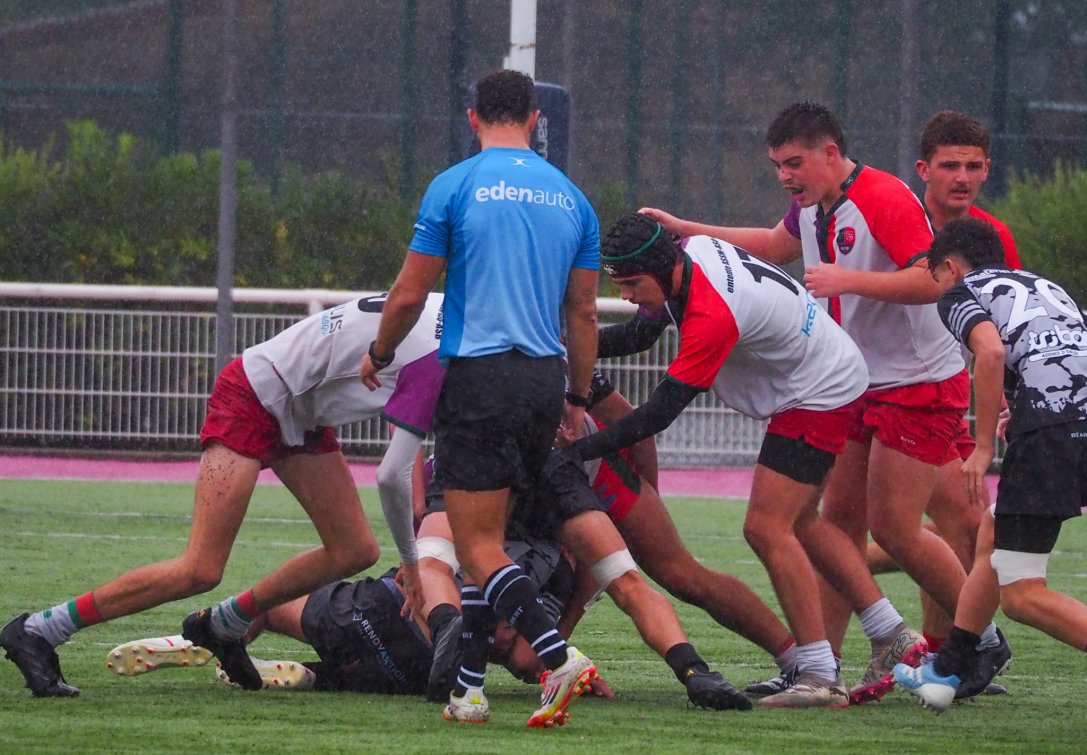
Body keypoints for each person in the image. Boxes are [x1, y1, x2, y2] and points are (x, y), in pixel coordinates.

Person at [641, 101, 970, 703]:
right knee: (830, 525)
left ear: (830, 152)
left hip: (917, 384)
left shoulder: (883, 196)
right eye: (777, 165)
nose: (785, 176)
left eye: (794, 163)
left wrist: (849, 281)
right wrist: (687, 230)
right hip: (859, 382)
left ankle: (978, 640)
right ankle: (826, 666)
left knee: (900, 528)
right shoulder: (813, 206)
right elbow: (773, 244)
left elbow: (937, 279)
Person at [0, 294, 445, 697]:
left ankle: (225, 623)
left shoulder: (451, 317)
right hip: (252, 397)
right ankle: (40, 629)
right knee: (200, 569)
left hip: (301, 415)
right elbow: (391, 474)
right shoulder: (450, 355)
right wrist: (411, 560)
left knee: (355, 549)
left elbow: (405, 412)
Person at [569, 212, 921, 708]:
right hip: (827, 372)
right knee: (803, 523)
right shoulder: (685, 257)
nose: (626, 295)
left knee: (766, 527)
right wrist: (566, 345)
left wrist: (578, 449)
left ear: (660, 268)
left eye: (631, 284)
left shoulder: (710, 313)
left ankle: (820, 675)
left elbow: (656, 415)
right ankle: (891, 634)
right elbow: (638, 336)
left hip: (818, 390)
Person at [358, 69, 600, 728]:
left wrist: (379, 353)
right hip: (543, 380)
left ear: (473, 118)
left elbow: (409, 294)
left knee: (476, 548)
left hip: (479, 378)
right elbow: (582, 313)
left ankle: (556, 657)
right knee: (489, 544)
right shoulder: (572, 198)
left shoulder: (455, 185)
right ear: (533, 118)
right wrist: (577, 396)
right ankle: (467, 689)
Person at [894, 218, 1087, 711]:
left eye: (936, 276)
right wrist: (1025, 405)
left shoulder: (961, 292)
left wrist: (982, 446)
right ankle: (948, 670)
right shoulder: (1045, 286)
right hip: (1068, 419)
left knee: (1022, 595)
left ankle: (949, 666)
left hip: (1052, 433)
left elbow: (992, 351)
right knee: (992, 537)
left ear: (950, 267)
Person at [867, 111, 1018, 688]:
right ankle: (956, 647)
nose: (963, 177)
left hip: (944, 394)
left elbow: (1004, 324)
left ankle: (940, 656)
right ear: (923, 169)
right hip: (887, 390)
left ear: (988, 170)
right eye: (950, 165)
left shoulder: (991, 237)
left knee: (965, 524)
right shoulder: (900, 220)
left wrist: (1010, 398)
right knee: (894, 527)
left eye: (973, 166)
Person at [107, 533, 576, 697]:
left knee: (269, 605)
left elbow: (421, 525)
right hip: (413, 679)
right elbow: (523, 659)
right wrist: (563, 662)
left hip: (382, 612)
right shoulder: (558, 559)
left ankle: (202, 637)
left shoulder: (477, 490)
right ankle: (316, 676)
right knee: (360, 675)